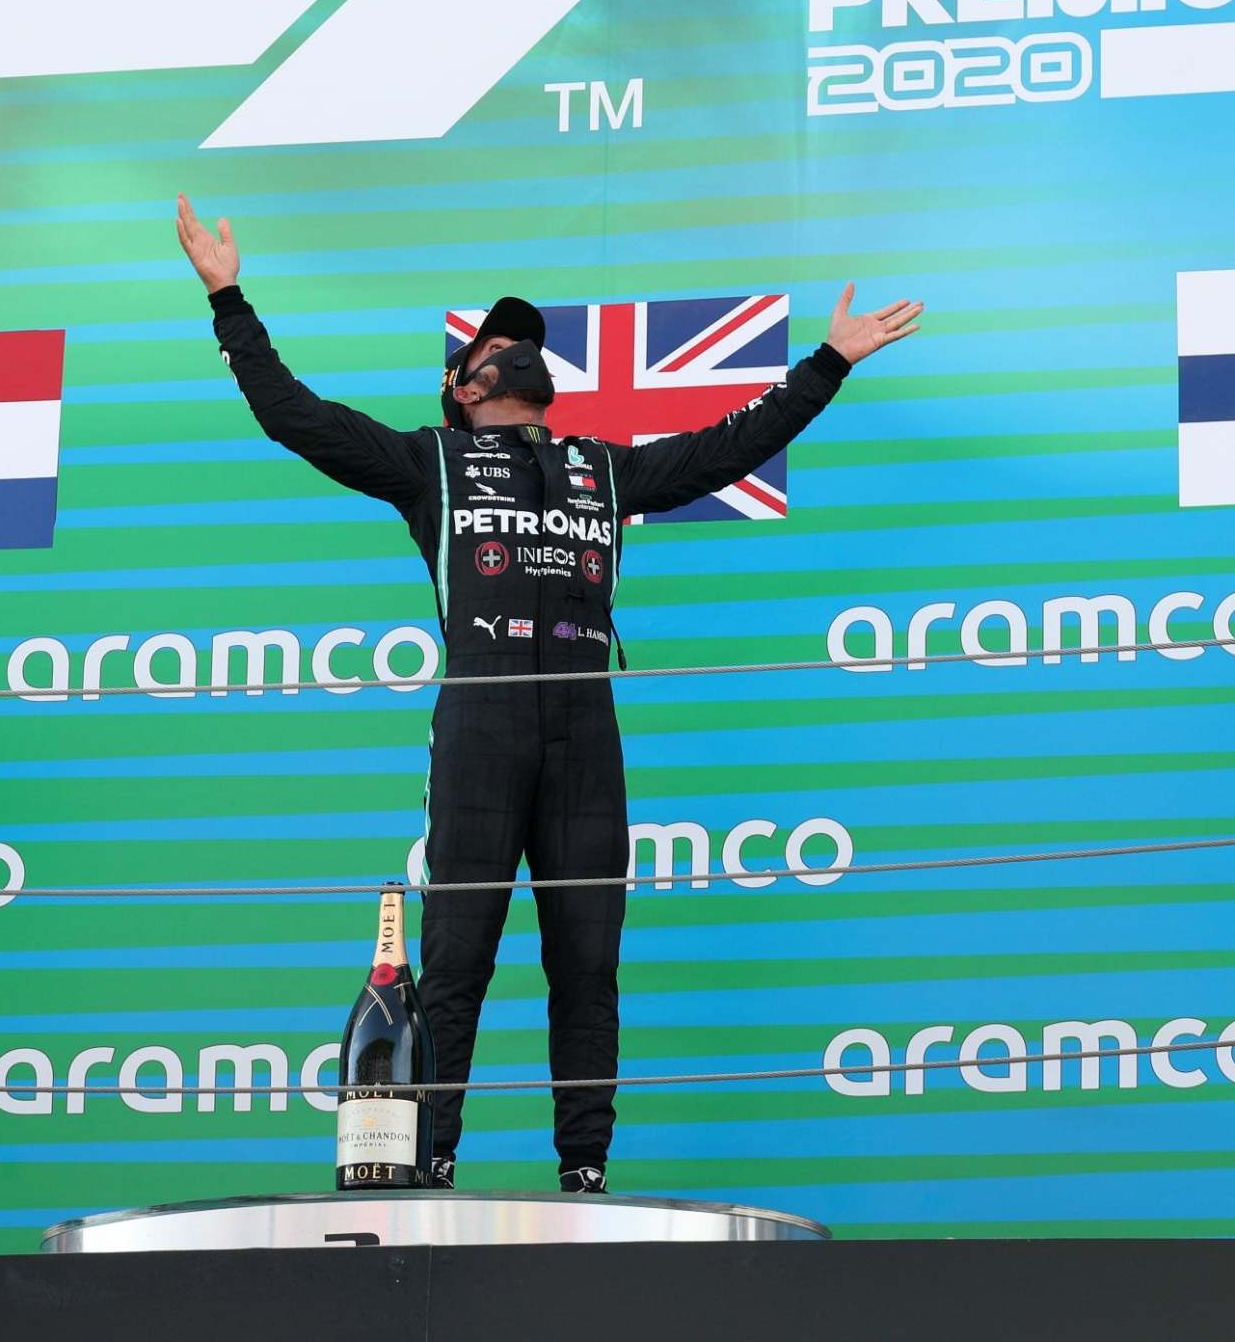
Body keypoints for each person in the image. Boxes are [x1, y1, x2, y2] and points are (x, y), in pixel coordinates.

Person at [177, 193, 921, 1192]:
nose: (514, 352)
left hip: (585, 737)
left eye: (525, 344)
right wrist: (229, 295)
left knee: (587, 960)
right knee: (458, 956)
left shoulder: (606, 469)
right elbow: (292, 413)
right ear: (463, 384)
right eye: (495, 343)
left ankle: (585, 1169)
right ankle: (424, 1164)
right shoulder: (427, 461)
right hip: (480, 731)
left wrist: (827, 360)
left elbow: (731, 442)